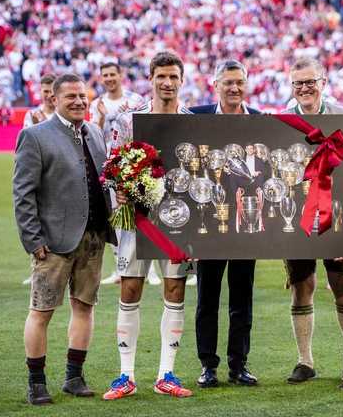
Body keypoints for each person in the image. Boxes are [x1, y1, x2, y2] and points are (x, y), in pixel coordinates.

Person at [13, 73, 116, 405]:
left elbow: (103, 181)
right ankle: (36, 382)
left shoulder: (95, 133)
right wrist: (33, 238)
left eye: (83, 96)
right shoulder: (35, 135)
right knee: (42, 311)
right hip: (53, 241)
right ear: (54, 99)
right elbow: (23, 193)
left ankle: (74, 376)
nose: (78, 102)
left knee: (84, 307)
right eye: (71, 96)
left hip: (94, 236)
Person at [102, 52, 195, 400]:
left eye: (173, 77)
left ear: (181, 80)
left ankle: (165, 374)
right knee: (129, 291)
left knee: (175, 291)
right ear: (150, 78)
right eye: (161, 77)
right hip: (137, 221)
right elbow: (110, 166)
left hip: (177, 222)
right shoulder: (128, 120)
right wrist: (120, 191)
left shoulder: (190, 121)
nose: (167, 83)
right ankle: (125, 375)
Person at [280, 57, 343, 384]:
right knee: (301, 286)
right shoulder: (281, 120)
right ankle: (305, 360)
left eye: (311, 81)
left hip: (337, 215)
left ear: (323, 81)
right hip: (296, 217)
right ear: (291, 86)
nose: (305, 88)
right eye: (299, 83)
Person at [191, 60, 261, 389]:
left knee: (242, 298)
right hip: (210, 226)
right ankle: (208, 365)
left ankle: (239, 364)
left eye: (239, 82)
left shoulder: (261, 121)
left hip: (247, 222)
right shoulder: (196, 118)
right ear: (215, 85)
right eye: (228, 83)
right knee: (207, 298)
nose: (234, 88)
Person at [89, 62, 147, 287]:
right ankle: (121, 267)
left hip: (135, 165)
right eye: (105, 75)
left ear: (120, 75)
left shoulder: (136, 101)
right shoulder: (96, 104)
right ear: (101, 78)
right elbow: (93, 134)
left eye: (113, 74)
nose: (110, 78)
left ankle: (147, 268)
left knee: (140, 215)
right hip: (109, 167)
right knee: (116, 217)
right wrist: (102, 118)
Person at [21, 73, 56, 285]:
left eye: (52, 91)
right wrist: (37, 127)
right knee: (36, 220)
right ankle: (36, 269)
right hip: (39, 175)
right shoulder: (31, 115)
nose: (49, 95)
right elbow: (27, 145)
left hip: (57, 175)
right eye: (45, 91)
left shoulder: (63, 114)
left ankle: (55, 268)